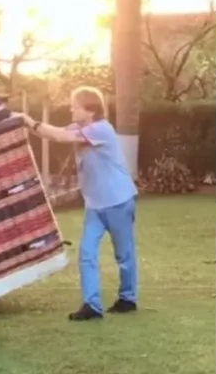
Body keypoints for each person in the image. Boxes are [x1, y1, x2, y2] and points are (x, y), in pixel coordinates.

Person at [23, 86, 138, 321]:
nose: (71, 108)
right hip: (94, 205)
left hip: (117, 200)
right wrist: (23, 123)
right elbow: (52, 133)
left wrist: (27, 120)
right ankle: (92, 306)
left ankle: (128, 298)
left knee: (124, 255)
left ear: (91, 110)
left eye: (75, 105)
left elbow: (60, 136)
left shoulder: (101, 129)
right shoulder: (80, 127)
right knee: (86, 253)